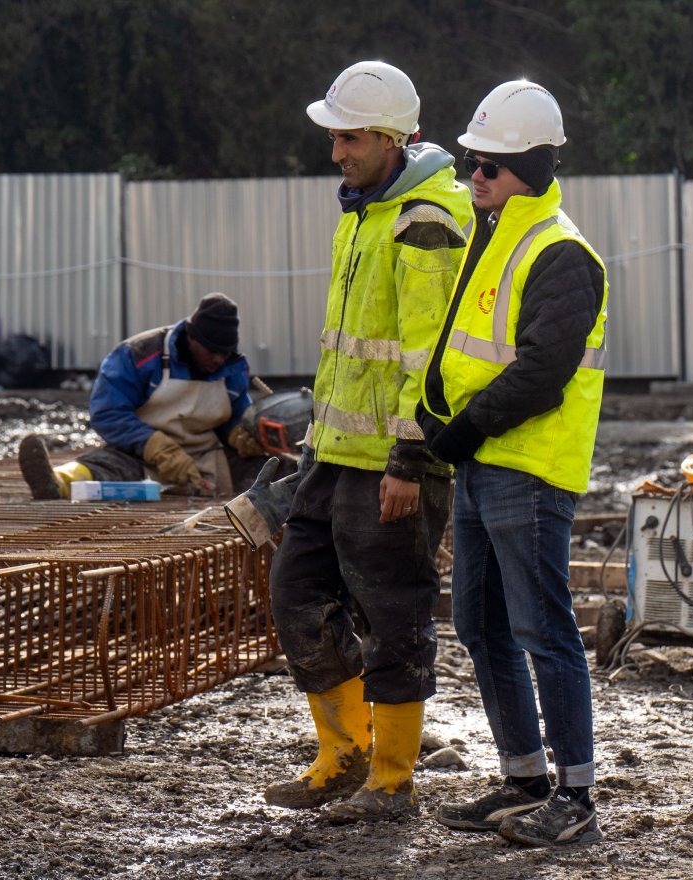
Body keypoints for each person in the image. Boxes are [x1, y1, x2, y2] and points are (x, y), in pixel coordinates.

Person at [262, 60, 472, 821]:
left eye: (348, 138)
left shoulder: (426, 219)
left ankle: (391, 779)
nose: (336, 153)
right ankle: (341, 754)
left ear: (390, 138)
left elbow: (434, 360)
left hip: (396, 462)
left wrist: (413, 461)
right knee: (296, 596)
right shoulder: (366, 210)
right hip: (338, 457)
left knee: (393, 621)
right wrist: (314, 447)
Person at [418, 80, 609, 847]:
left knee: (544, 630)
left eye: (489, 166)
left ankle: (576, 797)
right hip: (485, 460)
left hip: (526, 468)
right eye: (471, 163)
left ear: (528, 165)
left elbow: (540, 372)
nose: (474, 177)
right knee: (481, 625)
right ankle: (524, 777)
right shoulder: (496, 235)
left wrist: (461, 433)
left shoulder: (560, 251)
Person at [18, 292, 263, 499]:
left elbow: (236, 414)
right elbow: (107, 414)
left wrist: (240, 434)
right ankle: (56, 483)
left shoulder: (233, 366)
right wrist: (156, 447)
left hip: (207, 458)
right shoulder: (138, 355)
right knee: (104, 467)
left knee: (272, 471)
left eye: (224, 352)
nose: (218, 359)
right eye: (211, 351)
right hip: (141, 457)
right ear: (191, 337)